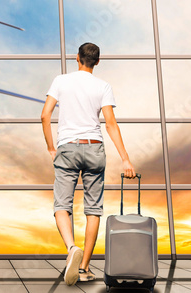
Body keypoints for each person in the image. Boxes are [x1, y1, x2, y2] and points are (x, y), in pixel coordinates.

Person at [41, 42, 136, 286]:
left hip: (67, 147)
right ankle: (83, 269)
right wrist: (125, 158)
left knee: (62, 204)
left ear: (77, 58)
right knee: (93, 209)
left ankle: (72, 248)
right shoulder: (103, 86)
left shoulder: (61, 80)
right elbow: (110, 123)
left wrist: (52, 147)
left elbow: (45, 114)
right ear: (97, 61)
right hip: (94, 148)